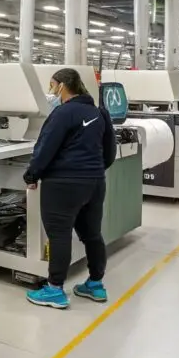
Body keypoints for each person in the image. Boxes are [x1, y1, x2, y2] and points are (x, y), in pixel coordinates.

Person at [22, 68, 117, 309]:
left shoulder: (62, 114)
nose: (51, 91)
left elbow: (45, 149)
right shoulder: (99, 113)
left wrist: (32, 175)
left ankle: (54, 290)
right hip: (95, 182)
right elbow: (109, 152)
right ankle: (95, 284)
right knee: (92, 234)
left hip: (63, 184)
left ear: (62, 86)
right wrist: (93, 170)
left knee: (59, 235)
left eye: (52, 86)